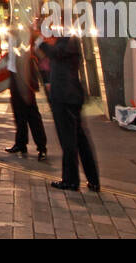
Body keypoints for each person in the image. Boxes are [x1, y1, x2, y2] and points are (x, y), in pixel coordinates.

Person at [37, 28, 100, 192]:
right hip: (70, 96)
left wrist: (41, 41)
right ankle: (92, 179)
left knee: (69, 141)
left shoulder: (66, 42)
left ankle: (71, 180)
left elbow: (54, 53)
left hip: (65, 98)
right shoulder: (67, 41)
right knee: (79, 139)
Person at [6, 24, 48, 160]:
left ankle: (41, 147)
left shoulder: (30, 35)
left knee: (31, 113)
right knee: (18, 112)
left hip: (26, 76)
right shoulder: (12, 34)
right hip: (14, 74)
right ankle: (20, 143)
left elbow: (40, 49)